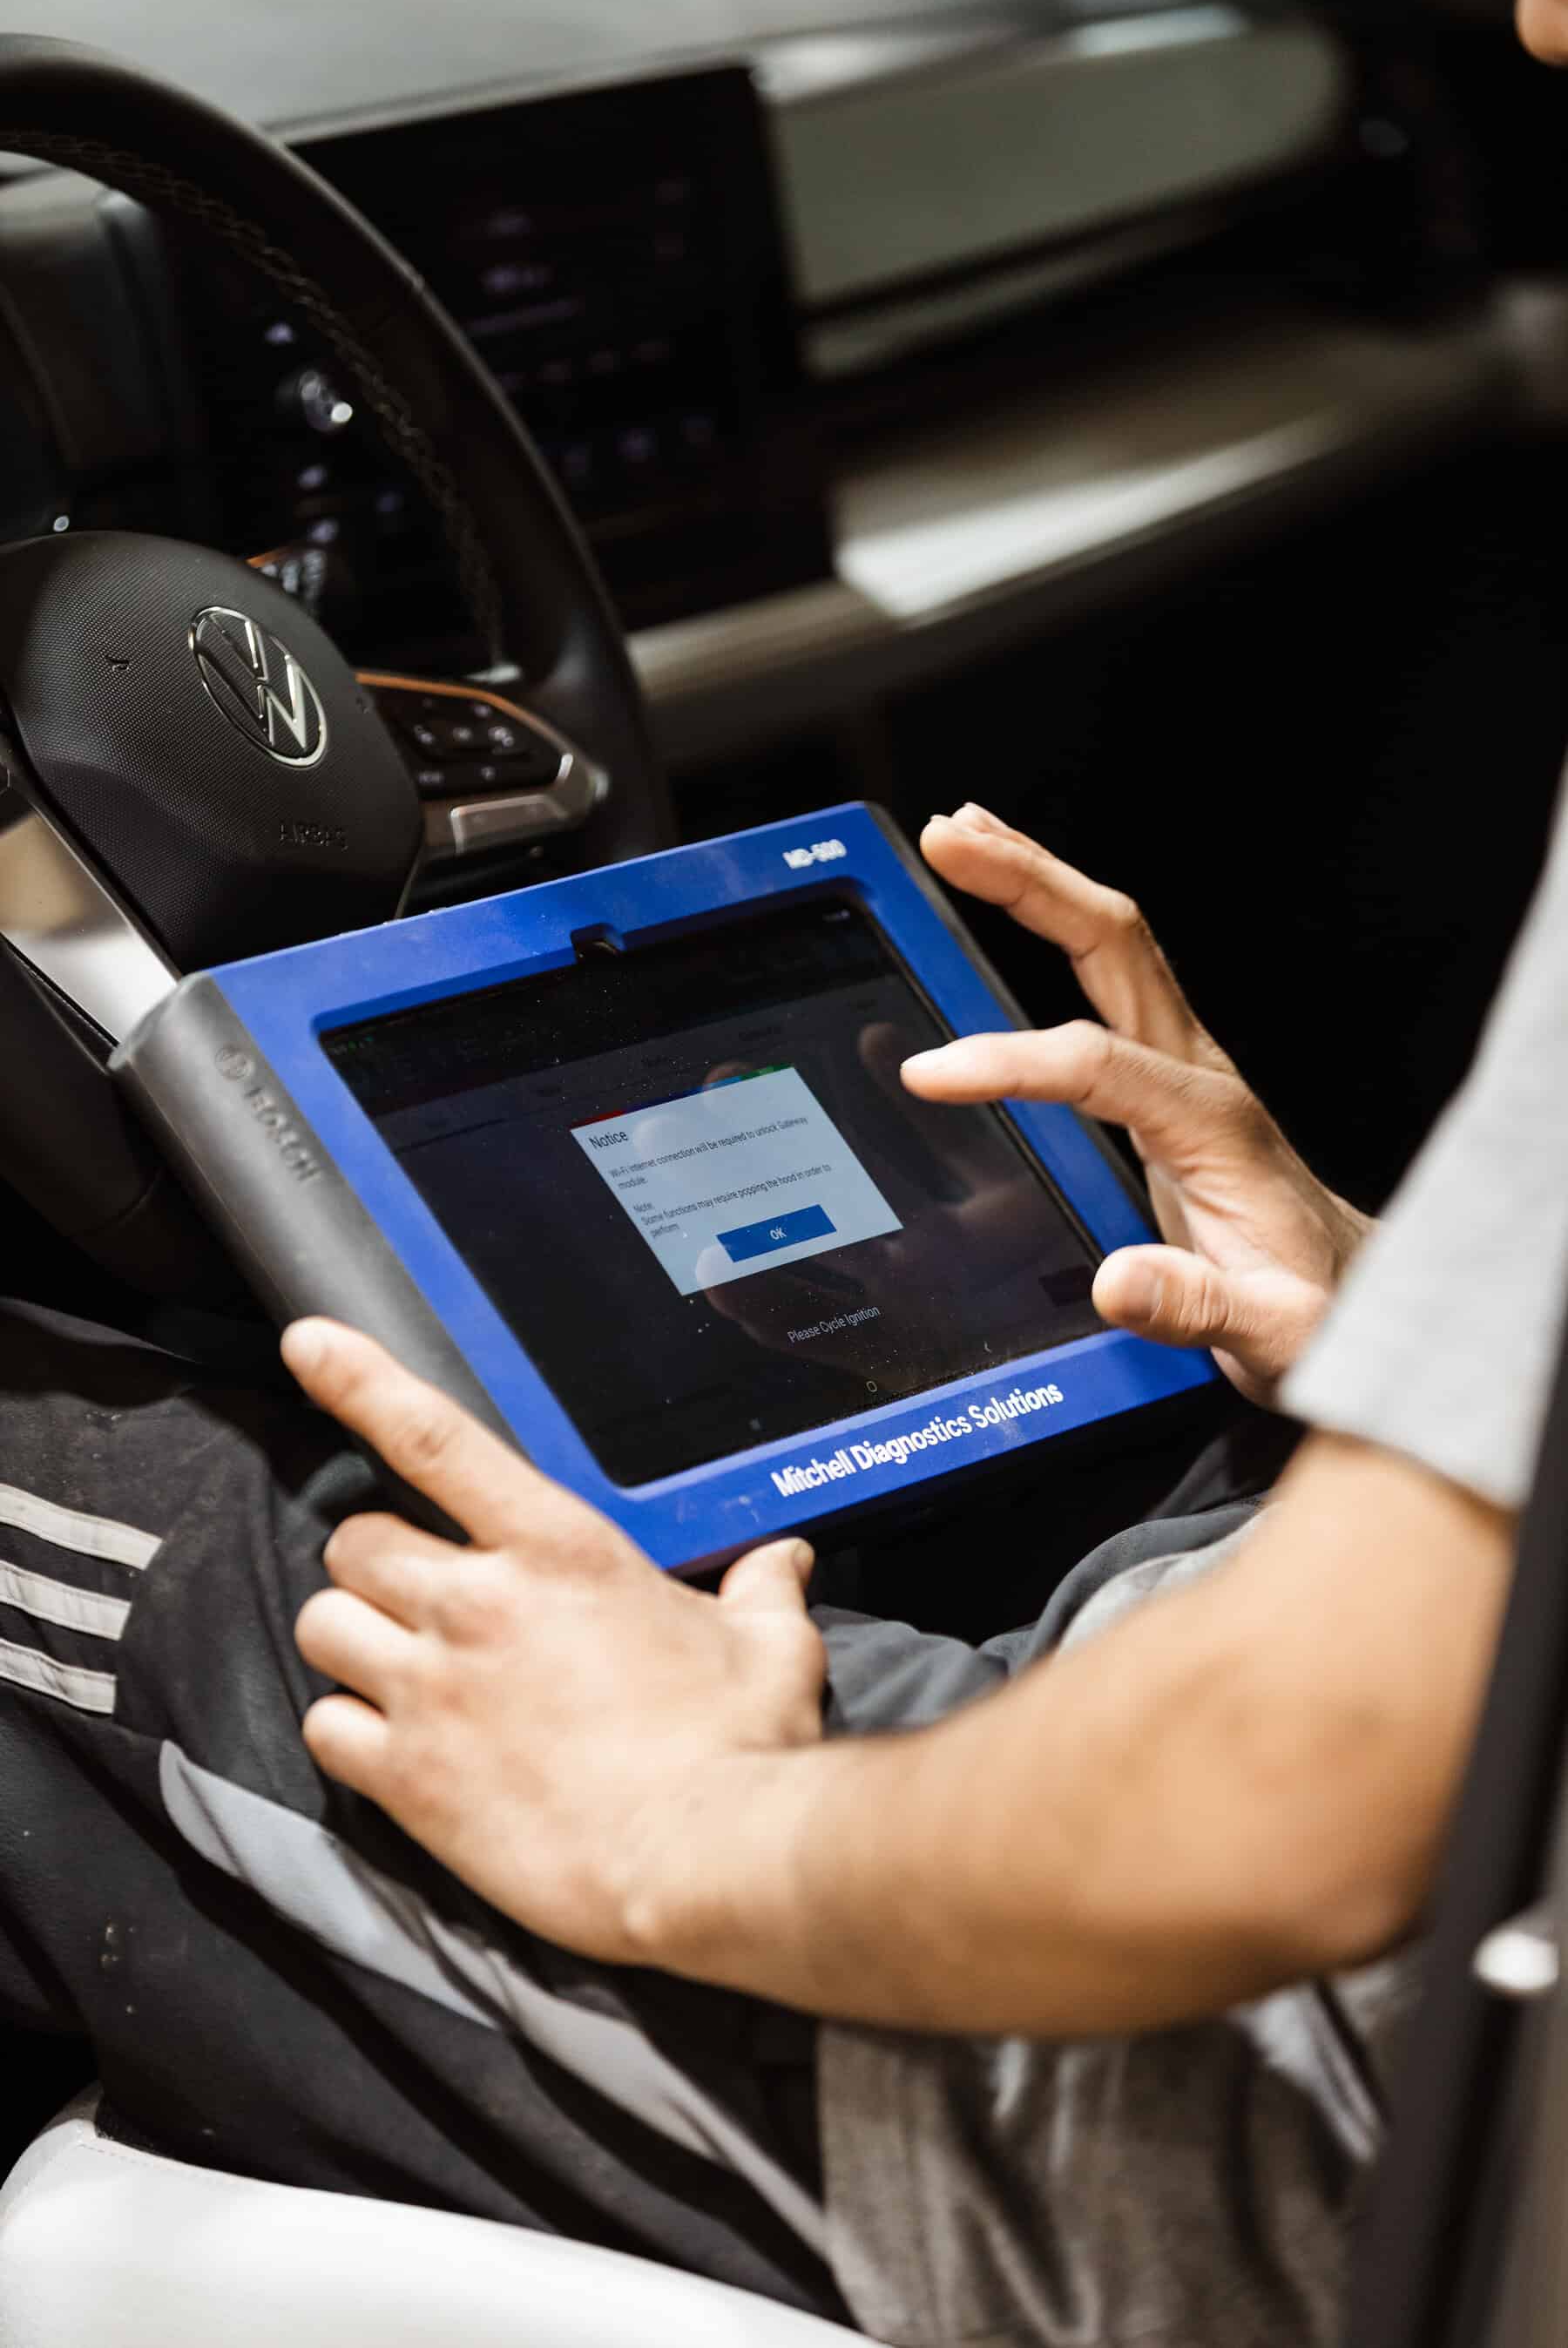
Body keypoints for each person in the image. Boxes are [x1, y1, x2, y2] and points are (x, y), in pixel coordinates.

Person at [3, 772, 1561, 2343]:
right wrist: (1414, 1337)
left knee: (74, 1460)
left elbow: (1303, 1786)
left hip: (1264, 2113)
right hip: (1318, 1695)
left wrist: (697, 1818)